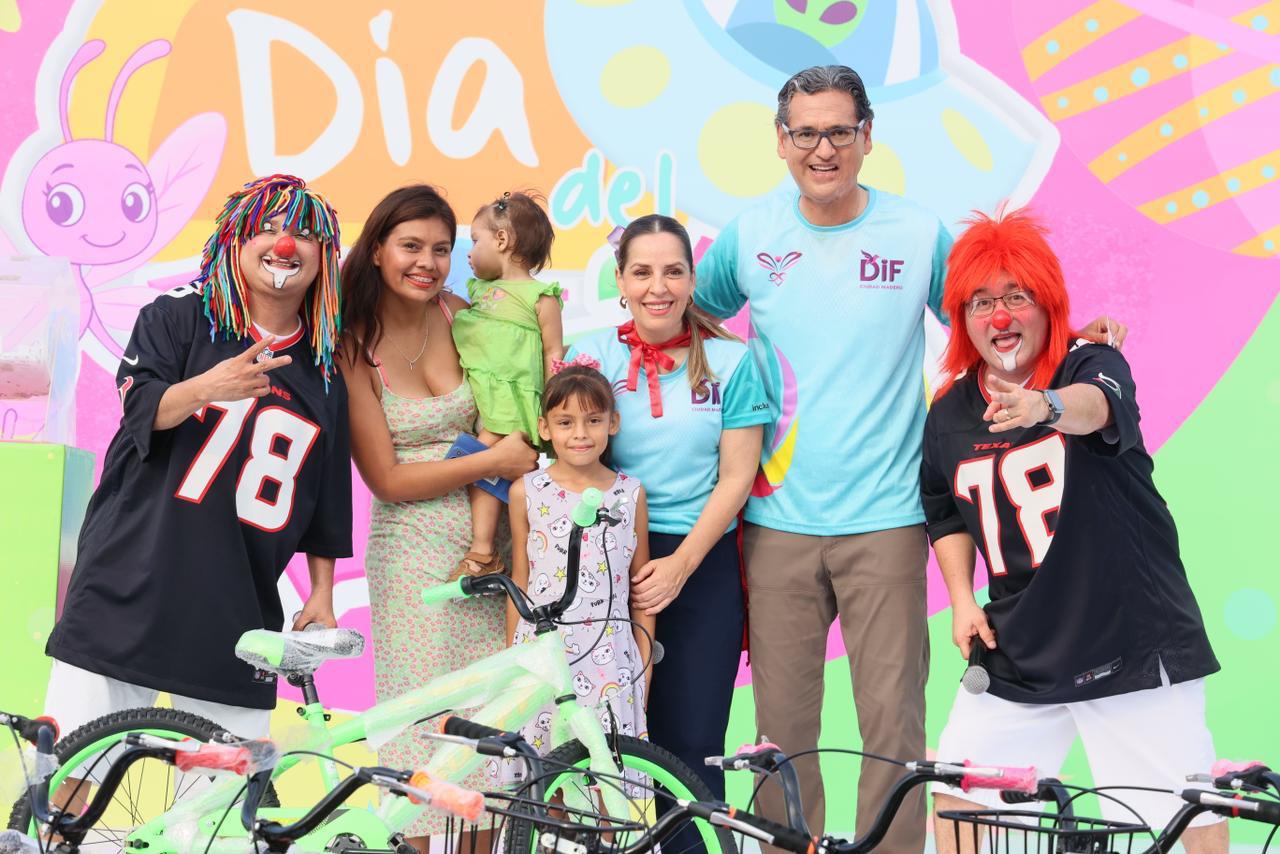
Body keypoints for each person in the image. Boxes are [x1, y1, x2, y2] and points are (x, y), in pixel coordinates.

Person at [693, 65, 1128, 851]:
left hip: (889, 521)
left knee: (892, 728)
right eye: (805, 133)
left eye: (838, 132)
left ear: (867, 137)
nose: (821, 149)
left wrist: (1073, 351)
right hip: (775, 523)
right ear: (780, 141)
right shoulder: (748, 237)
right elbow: (686, 319)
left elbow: (993, 326)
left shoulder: (916, 233)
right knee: (777, 736)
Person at [922, 209, 1223, 854]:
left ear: (1046, 302)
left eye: (1015, 297)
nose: (999, 317)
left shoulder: (1090, 362)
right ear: (961, 316)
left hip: (1128, 638)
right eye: (981, 302)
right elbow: (944, 505)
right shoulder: (950, 411)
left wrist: (1045, 406)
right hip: (1021, 645)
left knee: (1181, 812)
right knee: (960, 797)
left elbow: (1100, 408)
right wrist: (961, 598)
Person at [44, 173, 351, 740]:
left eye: (304, 234)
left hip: (237, 608)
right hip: (131, 580)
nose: (285, 244)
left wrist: (323, 594)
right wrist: (209, 386)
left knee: (231, 796)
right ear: (236, 240)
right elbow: (141, 411)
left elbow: (328, 501)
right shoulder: (179, 317)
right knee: (72, 762)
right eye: (268, 228)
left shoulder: (325, 370)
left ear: (324, 257)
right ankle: (59, 838)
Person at [338, 184, 538, 850]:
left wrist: (515, 453)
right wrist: (499, 459)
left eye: (443, 249)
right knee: (424, 739)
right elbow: (386, 480)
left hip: (494, 552)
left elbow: (515, 392)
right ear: (376, 250)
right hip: (413, 559)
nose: (428, 262)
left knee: (494, 744)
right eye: (411, 247)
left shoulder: (464, 315)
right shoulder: (352, 346)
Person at [568, 214, 770, 800]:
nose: (658, 287)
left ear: (691, 278)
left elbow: (736, 478)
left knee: (692, 746)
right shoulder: (591, 356)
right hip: (606, 563)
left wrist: (679, 566)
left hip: (698, 564)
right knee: (608, 745)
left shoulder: (732, 363)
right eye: (642, 272)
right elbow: (567, 456)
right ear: (620, 280)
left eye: (673, 271)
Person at [504, 363, 654, 783]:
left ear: (613, 423)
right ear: (545, 427)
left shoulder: (630, 493)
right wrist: (513, 659)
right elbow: (520, 580)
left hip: (612, 656)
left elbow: (640, 589)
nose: (581, 434)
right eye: (566, 422)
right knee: (544, 779)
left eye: (593, 421)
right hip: (543, 655)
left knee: (613, 778)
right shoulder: (526, 492)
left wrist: (643, 667)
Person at [450, 190, 564, 579]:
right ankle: (489, 552)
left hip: (513, 402)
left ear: (501, 241)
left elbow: (553, 354)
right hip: (484, 397)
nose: (468, 252)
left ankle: (483, 550)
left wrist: (553, 409)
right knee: (480, 467)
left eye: (475, 240)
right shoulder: (477, 292)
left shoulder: (540, 297)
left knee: (476, 463)